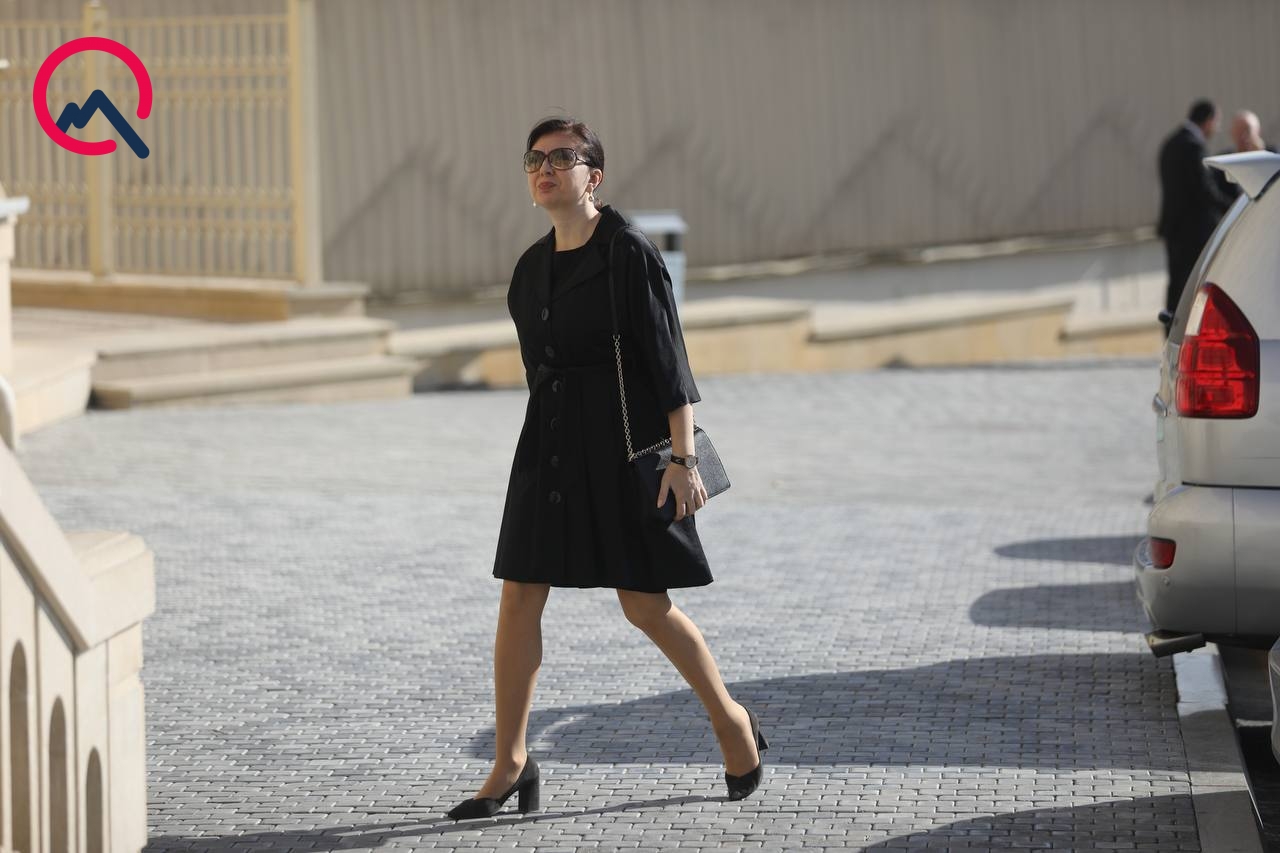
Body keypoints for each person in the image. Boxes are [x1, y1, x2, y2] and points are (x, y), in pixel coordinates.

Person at [444, 116, 769, 820]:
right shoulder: (530, 269)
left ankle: (730, 721)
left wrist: (682, 458)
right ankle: (511, 761)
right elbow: (538, 371)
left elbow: (668, 362)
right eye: (535, 158)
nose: (546, 168)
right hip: (550, 449)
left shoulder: (628, 253)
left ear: (594, 176)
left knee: (644, 604)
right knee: (519, 593)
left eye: (563, 157)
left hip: (623, 451)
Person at [1157, 99, 1236, 318]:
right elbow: (1205, 191)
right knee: (1193, 286)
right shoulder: (1194, 147)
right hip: (1193, 233)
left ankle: (1170, 329)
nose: (1216, 129)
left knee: (1176, 285)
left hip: (1173, 229)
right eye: (1216, 122)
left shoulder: (1170, 143)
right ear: (1208, 121)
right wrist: (1233, 208)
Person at [1214, 110, 1276, 200]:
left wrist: (1261, 156)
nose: (1243, 136)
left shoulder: (1273, 155)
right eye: (1238, 131)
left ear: (1258, 131)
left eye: (1247, 130)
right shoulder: (1223, 161)